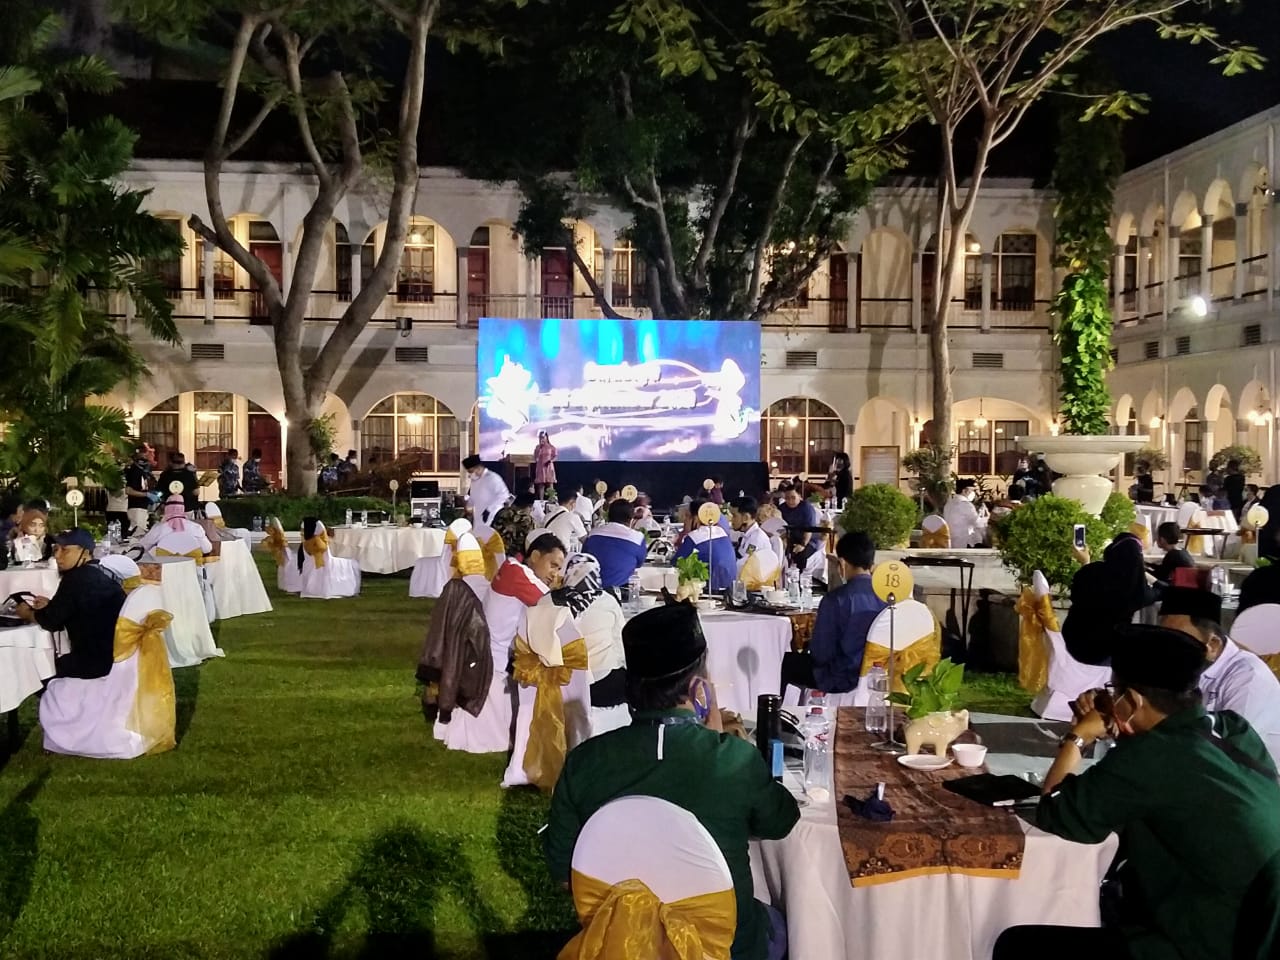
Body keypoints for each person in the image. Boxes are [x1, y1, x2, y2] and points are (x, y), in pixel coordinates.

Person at [994, 624, 1280, 960]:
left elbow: (1058, 810)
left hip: (1205, 940)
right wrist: (1123, 727)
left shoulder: (1153, 755)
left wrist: (1078, 738)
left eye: (1112, 692)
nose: (1108, 700)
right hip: (1258, 926)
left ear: (1131, 701)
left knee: (1019, 945)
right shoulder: (1234, 729)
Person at [545, 602, 799, 960]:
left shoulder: (583, 762)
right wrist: (726, 743)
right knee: (782, 922)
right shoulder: (731, 760)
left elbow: (565, 875)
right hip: (725, 948)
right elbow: (782, 819)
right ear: (699, 688)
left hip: (618, 946)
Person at [1159, 587, 1280, 767]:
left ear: (1213, 644)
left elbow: (1229, 750)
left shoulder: (1247, 677)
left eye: (1179, 642)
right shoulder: (1181, 667)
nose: (1168, 651)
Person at [779, 532, 886, 695]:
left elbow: (821, 653)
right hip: (876, 672)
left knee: (784, 662)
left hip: (840, 677)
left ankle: (778, 716)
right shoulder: (887, 596)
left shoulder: (836, 599)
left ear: (842, 564)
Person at [14, 529, 126, 680]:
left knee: (33, 671)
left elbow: (50, 621)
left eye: (65, 550)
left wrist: (26, 613)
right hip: (120, 657)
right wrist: (51, 605)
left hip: (93, 663)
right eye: (56, 549)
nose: (57, 556)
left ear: (85, 553)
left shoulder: (75, 578)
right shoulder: (103, 572)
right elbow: (77, 607)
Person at [550, 553, 628, 733]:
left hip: (564, 686)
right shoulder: (608, 601)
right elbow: (620, 645)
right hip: (604, 685)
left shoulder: (552, 601)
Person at [1062, 532, 1157, 665]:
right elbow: (1164, 589)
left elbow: (1078, 591)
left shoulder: (1092, 572)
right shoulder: (1141, 592)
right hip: (1107, 652)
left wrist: (1085, 562)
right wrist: (1140, 572)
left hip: (1075, 640)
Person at [583, 499, 648, 590]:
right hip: (620, 592)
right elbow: (639, 564)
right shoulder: (637, 538)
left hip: (590, 589)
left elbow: (584, 558)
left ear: (608, 516)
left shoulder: (593, 534)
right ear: (631, 518)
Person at [674, 499, 736, 592]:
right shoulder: (722, 532)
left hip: (710, 590)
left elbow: (676, 563)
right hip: (729, 588)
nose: (685, 520)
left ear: (696, 517)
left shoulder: (694, 537)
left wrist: (685, 531)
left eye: (687, 516)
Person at [139, 495, 213, 554]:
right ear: (183, 508)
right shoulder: (196, 527)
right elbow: (207, 549)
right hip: (192, 570)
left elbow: (142, 546)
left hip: (165, 570)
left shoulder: (159, 528)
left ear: (166, 508)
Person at [778, 484, 822, 571]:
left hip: (808, 541)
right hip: (790, 539)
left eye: (793, 497)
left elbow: (808, 529)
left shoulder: (807, 508)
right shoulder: (782, 508)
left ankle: (799, 579)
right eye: (787, 498)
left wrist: (802, 545)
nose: (790, 501)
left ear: (800, 496)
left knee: (800, 555)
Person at [462, 454, 511, 526]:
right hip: (478, 518)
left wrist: (489, 509)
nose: (470, 474)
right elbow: (473, 497)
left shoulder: (493, 478)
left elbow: (504, 496)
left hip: (493, 517)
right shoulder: (474, 480)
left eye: (471, 471)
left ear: (478, 468)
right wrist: (468, 507)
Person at [1147, 521, 1195, 588]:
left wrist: (1143, 571)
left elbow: (1160, 576)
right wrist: (1146, 564)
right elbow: (1163, 569)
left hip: (1181, 591)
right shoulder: (1182, 551)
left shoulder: (1172, 555)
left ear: (1162, 539)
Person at [491, 492, 539, 560]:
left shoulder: (501, 512)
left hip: (494, 552)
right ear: (528, 507)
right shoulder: (527, 520)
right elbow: (531, 542)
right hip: (514, 559)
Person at [731, 497, 773, 569]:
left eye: (734, 516)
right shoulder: (747, 535)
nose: (732, 520)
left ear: (745, 518)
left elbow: (744, 564)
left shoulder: (756, 539)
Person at [943, 478, 982, 548]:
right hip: (964, 542)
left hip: (950, 541)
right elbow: (978, 523)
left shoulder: (949, 503)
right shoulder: (966, 505)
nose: (974, 494)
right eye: (972, 490)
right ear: (965, 490)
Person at [533, 430, 557, 499]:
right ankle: (541, 500)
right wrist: (539, 449)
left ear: (546, 437)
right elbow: (535, 457)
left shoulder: (551, 447)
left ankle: (552, 499)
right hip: (541, 467)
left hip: (549, 466)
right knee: (541, 484)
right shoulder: (537, 447)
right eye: (540, 437)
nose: (542, 439)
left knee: (550, 483)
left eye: (543, 437)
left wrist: (551, 461)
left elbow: (555, 456)